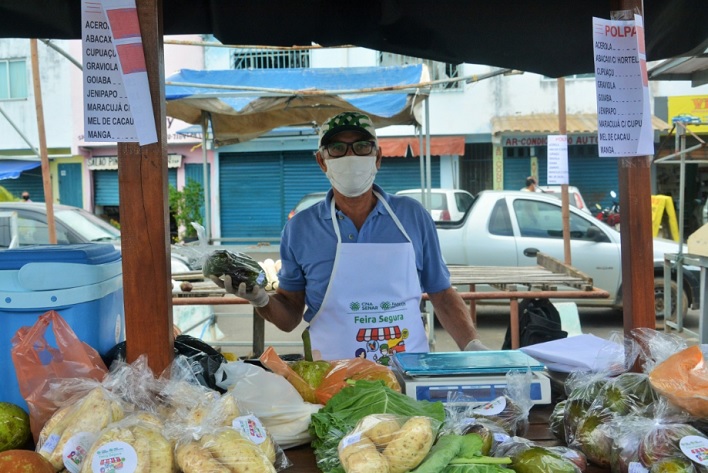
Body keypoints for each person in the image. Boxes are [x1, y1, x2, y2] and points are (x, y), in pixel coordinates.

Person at [213, 111, 488, 361]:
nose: (350, 157)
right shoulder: (300, 229)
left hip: (408, 373)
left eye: (361, 146)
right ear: (322, 161)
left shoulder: (412, 216)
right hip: (330, 380)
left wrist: (472, 345)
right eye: (337, 148)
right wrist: (261, 300)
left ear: (377, 157)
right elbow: (289, 318)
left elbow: (441, 292)